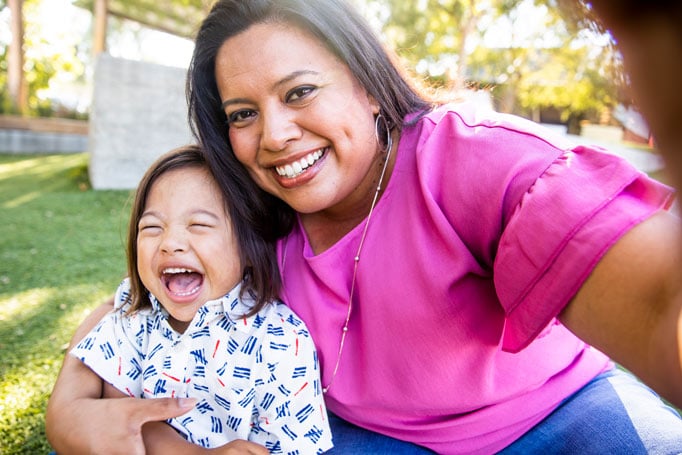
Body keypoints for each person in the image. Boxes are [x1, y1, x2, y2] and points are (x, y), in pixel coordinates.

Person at [47, 0, 682, 453]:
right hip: (368, 439)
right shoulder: (251, 215)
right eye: (243, 113)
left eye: (299, 93)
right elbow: (139, 299)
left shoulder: (472, 161)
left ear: (369, 85)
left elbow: (660, 308)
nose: (274, 135)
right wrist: (70, 407)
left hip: (567, 416)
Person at [58, 145, 333, 454]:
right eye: (151, 227)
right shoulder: (134, 319)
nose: (169, 244)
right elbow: (121, 416)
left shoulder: (281, 341)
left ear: (250, 247)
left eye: (198, 225)